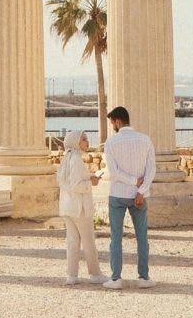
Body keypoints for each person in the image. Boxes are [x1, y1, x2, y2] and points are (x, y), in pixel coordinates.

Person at [98, 105, 156, 289]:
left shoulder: (111, 143)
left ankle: (116, 278)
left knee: (115, 238)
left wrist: (132, 181)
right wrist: (141, 190)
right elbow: (151, 169)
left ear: (117, 121)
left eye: (112, 122)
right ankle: (143, 277)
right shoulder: (145, 140)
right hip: (138, 196)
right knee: (142, 237)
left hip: (117, 194)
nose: (112, 126)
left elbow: (113, 172)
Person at [55, 129, 109, 285]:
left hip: (67, 207)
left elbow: (67, 182)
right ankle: (95, 274)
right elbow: (76, 185)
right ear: (75, 142)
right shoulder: (76, 160)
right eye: (84, 139)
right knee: (88, 241)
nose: (87, 141)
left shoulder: (68, 159)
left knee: (72, 241)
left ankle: (71, 275)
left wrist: (88, 177)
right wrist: (91, 182)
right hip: (79, 208)